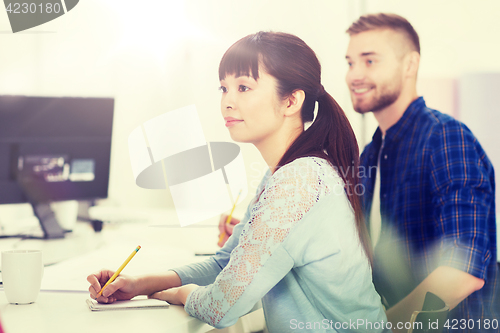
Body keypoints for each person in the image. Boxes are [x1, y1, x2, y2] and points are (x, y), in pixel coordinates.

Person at [88, 31, 390, 332]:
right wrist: (140, 284)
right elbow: (225, 262)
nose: (227, 102)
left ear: (292, 101)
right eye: (224, 88)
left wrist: (177, 294)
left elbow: (221, 306)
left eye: (243, 87)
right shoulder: (284, 173)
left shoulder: (300, 181)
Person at [345, 13, 499, 332]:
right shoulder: (370, 156)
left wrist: (384, 328)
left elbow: (463, 272)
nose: (354, 75)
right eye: (349, 63)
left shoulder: (446, 137)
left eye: (369, 61)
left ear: (409, 64)